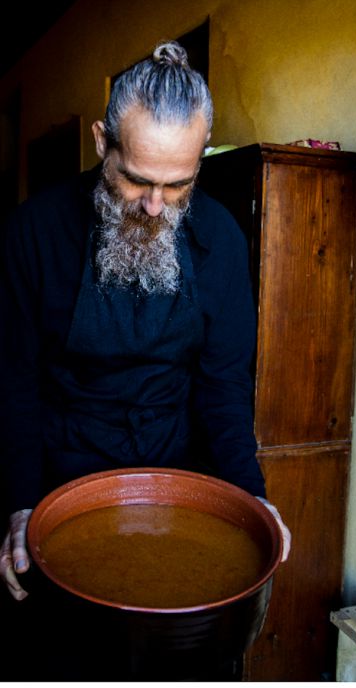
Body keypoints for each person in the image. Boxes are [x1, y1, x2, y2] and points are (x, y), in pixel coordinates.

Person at [0, 41, 291, 679]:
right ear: (104, 140)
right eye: (137, 179)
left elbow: (222, 385)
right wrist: (22, 504)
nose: (156, 207)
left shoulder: (218, 239)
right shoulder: (34, 233)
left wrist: (252, 494)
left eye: (178, 185)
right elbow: (14, 386)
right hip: (63, 475)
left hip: (175, 475)